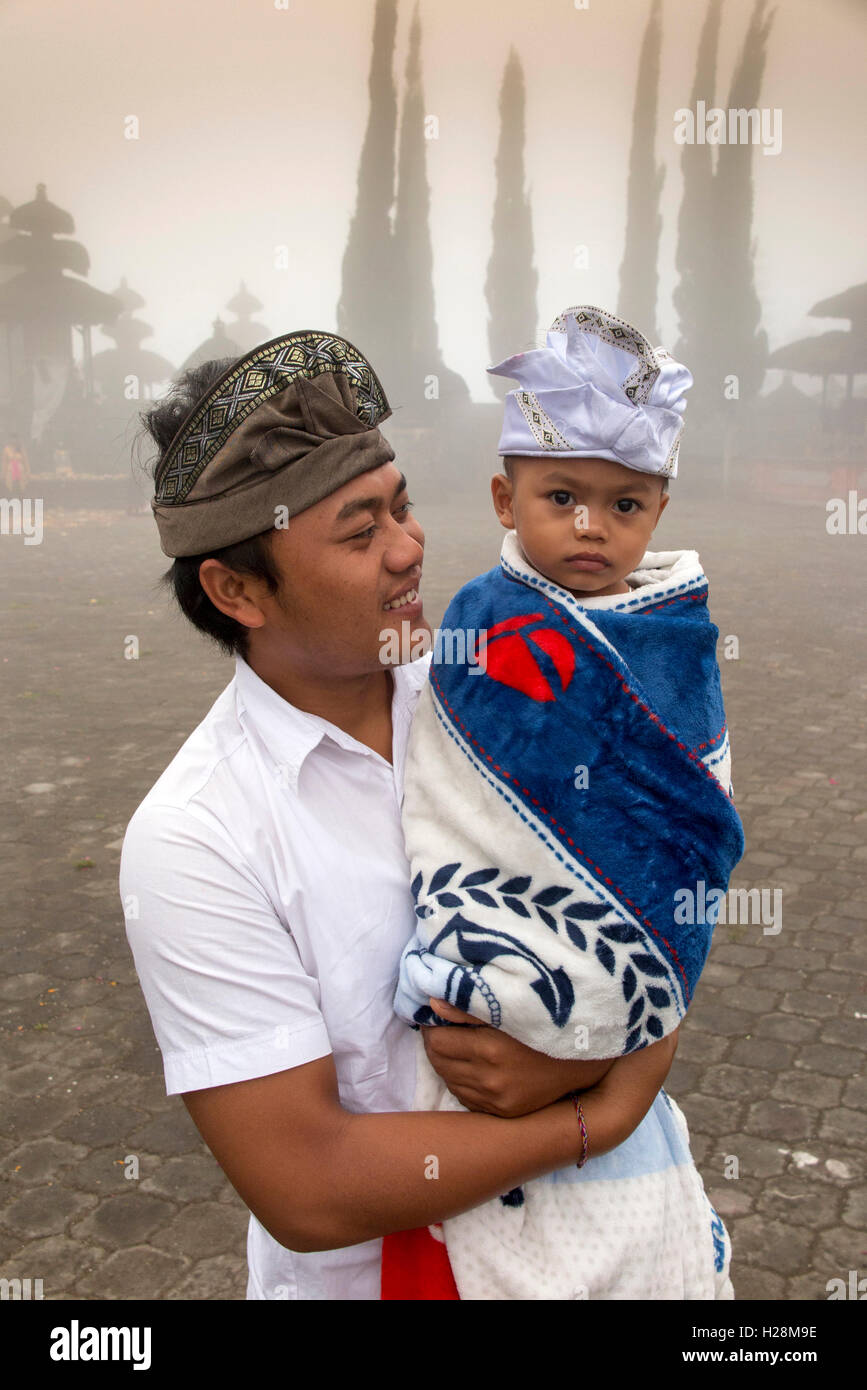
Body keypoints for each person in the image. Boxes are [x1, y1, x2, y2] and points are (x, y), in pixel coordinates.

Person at [119, 329, 683, 1301]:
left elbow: (662, 903)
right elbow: (307, 1182)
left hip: (622, 1250)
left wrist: (637, 1041)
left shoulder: (504, 685)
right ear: (236, 588)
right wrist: (595, 1114)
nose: (410, 545)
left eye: (404, 506)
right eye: (359, 529)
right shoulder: (199, 837)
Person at [390, 305, 745, 1299]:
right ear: (505, 499)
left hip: (621, 1030)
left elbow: (692, 822)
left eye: (625, 505)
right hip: (483, 996)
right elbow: (456, 793)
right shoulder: (478, 622)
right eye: (562, 495)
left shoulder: (676, 639)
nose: (592, 526)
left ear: (660, 513)